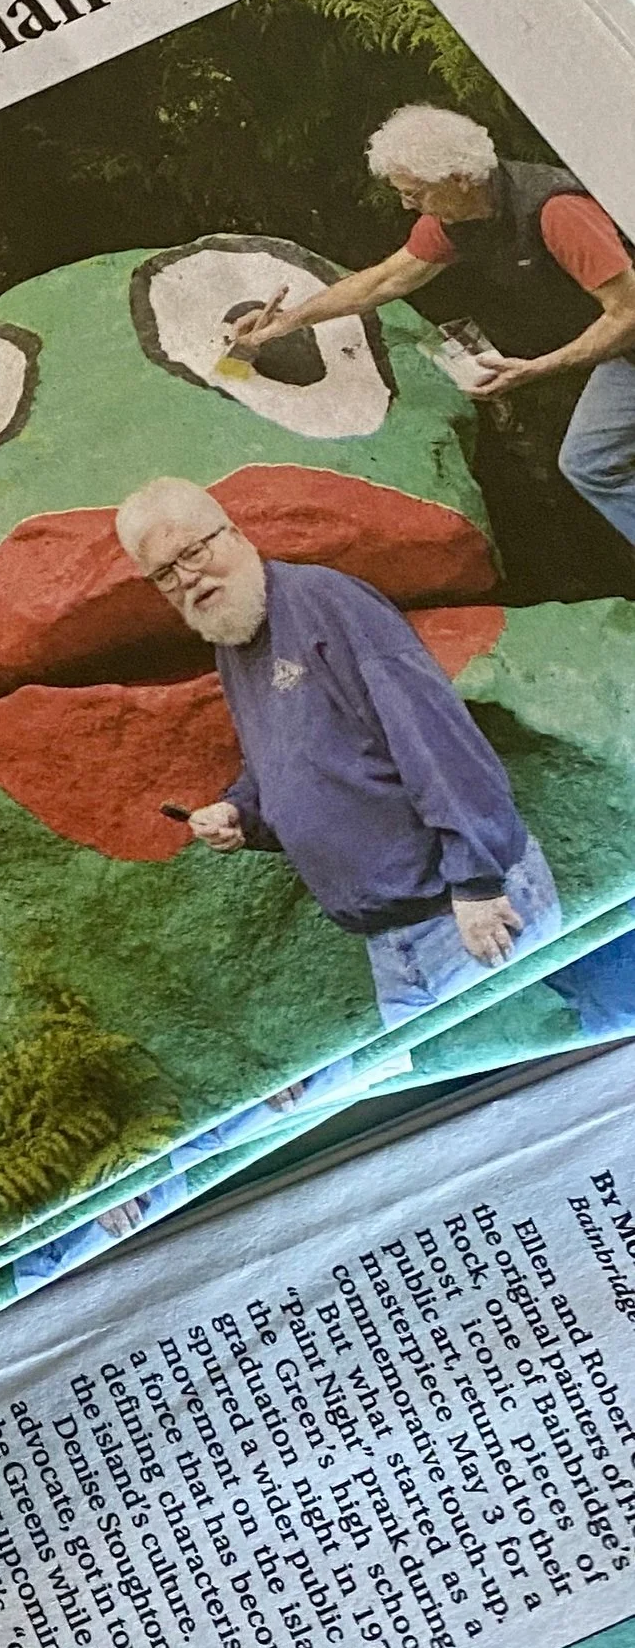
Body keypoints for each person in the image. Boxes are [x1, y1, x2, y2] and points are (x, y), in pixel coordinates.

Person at [112, 476, 562, 1031]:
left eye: (192, 552)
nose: (187, 579)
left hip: (462, 909)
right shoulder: (233, 638)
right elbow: (285, 758)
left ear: (234, 533)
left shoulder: (326, 602)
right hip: (391, 939)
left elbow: (434, 735)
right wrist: (239, 812)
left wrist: (476, 882)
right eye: (165, 574)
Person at [231, 106, 635, 557]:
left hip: (627, 332)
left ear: (460, 178)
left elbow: (627, 314)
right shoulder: (454, 220)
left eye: (416, 193)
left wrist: (539, 368)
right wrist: (288, 321)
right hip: (626, 355)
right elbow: (386, 280)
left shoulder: (557, 211)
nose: (407, 205)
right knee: (589, 463)